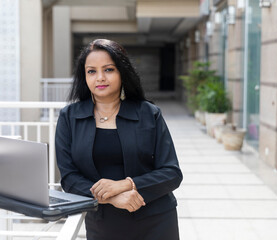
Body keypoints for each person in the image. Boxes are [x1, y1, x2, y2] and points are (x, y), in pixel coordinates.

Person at [55, 39, 183, 240]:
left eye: (108, 70)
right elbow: (70, 178)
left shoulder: (149, 114)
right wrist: (112, 197)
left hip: (156, 220)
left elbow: (171, 173)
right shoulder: (70, 117)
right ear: (84, 76)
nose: (100, 78)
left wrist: (125, 184)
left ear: (122, 72)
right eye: (91, 71)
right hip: (103, 222)